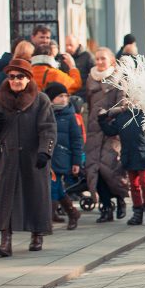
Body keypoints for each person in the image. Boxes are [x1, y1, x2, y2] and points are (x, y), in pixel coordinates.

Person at [0, 58, 57, 256]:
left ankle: (37, 234)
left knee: (36, 195)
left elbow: (49, 129)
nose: (15, 80)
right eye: (11, 76)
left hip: (33, 156)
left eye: (20, 76)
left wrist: (45, 151)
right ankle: (6, 241)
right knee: (5, 198)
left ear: (28, 79)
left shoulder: (41, 99)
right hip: (8, 156)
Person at [85, 48, 130, 222]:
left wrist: (109, 115)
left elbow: (124, 103)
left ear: (111, 60)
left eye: (103, 58)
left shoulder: (119, 78)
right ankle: (105, 207)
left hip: (111, 131)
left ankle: (120, 200)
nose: (99, 62)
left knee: (110, 169)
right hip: (93, 131)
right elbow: (88, 105)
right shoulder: (91, 78)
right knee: (94, 169)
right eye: (97, 59)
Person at [99, 99, 145, 226]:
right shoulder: (121, 117)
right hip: (129, 156)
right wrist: (101, 119)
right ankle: (137, 212)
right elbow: (110, 131)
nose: (130, 102)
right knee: (134, 186)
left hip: (144, 156)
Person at [43, 83, 84, 229]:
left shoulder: (70, 116)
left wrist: (76, 162)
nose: (64, 99)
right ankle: (73, 213)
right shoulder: (44, 113)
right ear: (51, 98)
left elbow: (77, 139)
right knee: (58, 188)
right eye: (60, 96)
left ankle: (48, 219)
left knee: (52, 187)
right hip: (47, 156)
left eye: (66, 95)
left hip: (62, 157)